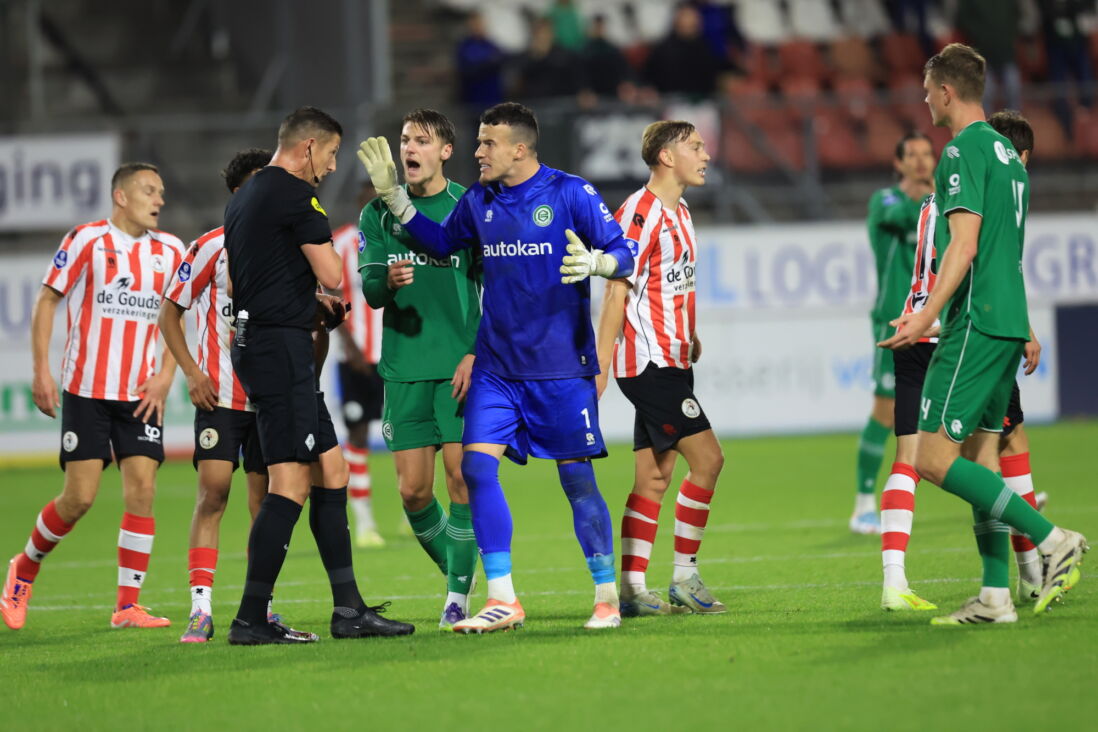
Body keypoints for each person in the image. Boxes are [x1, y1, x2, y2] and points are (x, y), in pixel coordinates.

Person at [357, 102, 637, 632]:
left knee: (577, 479)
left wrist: (600, 264)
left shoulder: (570, 193)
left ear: (520, 149)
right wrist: (395, 197)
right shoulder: (479, 201)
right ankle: (504, 597)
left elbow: (624, 251)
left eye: (488, 144)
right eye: (478, 141)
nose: (478, 152)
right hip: (497, 370)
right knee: (476, 469)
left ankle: (606, 595)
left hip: (559, 368)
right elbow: (439, 242)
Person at [880, 44, 1086, 624]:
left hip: (973, 323)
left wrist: (926, 316)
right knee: (981, 458)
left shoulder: (961, 152)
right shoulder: (1010, 155)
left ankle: (1052, 540)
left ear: (946, 91)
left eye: (927, 88)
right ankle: (996, 595)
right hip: (1006, 322)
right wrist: (1020, 328)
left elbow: (965, 247)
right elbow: (1007, 248)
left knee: (930, 459)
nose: (924, 98)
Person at [223, 106, 414, 644]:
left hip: (262, 341)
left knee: (332, 471)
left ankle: (348, 610)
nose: (330, 167)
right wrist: (319, 292)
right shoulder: (294, 194)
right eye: (330, 155)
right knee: (291, 480)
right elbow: (333, 273)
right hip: (280, 348)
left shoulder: (244, 197)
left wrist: (301, 300)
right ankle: (250, 618)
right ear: (308, 147)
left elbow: (245, 283)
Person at [2, 163, 184, 631]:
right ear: (121, 197)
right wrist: (41, 369)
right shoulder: (86, 240)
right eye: (149, 191)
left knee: (143, 489)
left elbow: (175, 317)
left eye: (161, 192)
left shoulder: (171, 250)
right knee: (79, 498)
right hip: (87, 390)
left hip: (141, 392)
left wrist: (166, 375)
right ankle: (25, 565)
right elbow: (47, 299)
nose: (158, 200)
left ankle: (127, 606)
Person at [159, 148, 314, 643]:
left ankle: (258, 607)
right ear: (237, 195)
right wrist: (191, 372)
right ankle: (200, 608)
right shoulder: (210, 246)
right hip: (220, 396)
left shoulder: (290, 247)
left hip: (269, 395)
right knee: (213, 493)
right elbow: (170, 312)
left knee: (265, 503)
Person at [595, 120, 726, 617]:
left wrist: (689, 332)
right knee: (709, 460)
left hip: (673, 357)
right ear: (667, 157)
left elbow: (675, 284)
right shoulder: (638, 212)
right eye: (695, 146)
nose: (705, 153)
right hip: (647, 363)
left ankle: (631, 589)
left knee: (654, 477)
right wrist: (601, 363)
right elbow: (615, 287)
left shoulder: (682, 210)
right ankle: (685, 578)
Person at [359, 108, 481, 629]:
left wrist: (477, 352)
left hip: (458, 367)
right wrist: (388, 282)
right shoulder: (376, 215)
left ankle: (456, 597)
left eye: (421, 141)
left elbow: (491, 290)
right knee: (412, 491)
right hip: (406, 366)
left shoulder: (469, 206)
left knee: (462, 479)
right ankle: (462, 573)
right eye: (405, 140)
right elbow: (368, 293)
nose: (409, 149)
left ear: (445, 151)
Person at [852, 132, 935, 535]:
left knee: (965, 406)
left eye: (927, 154)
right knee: (885, 411)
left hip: (935, 319)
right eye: (913, 156)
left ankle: (1007, 490)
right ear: (898, 164)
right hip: (894, 318)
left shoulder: (943, 205)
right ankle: (863, 504)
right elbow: (900, 217)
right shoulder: (885, 201)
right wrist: (937, 193)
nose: (921, 161)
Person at [330, 186, 385, 548]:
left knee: (412, 436)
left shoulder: (400, 240)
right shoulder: (342, 242)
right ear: (357, 203)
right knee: (359, 434)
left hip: (397, 355)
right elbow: (330, 295)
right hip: (355, 358)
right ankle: (364, 521)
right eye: (366, 199)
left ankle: (416, 509)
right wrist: (350, 345)